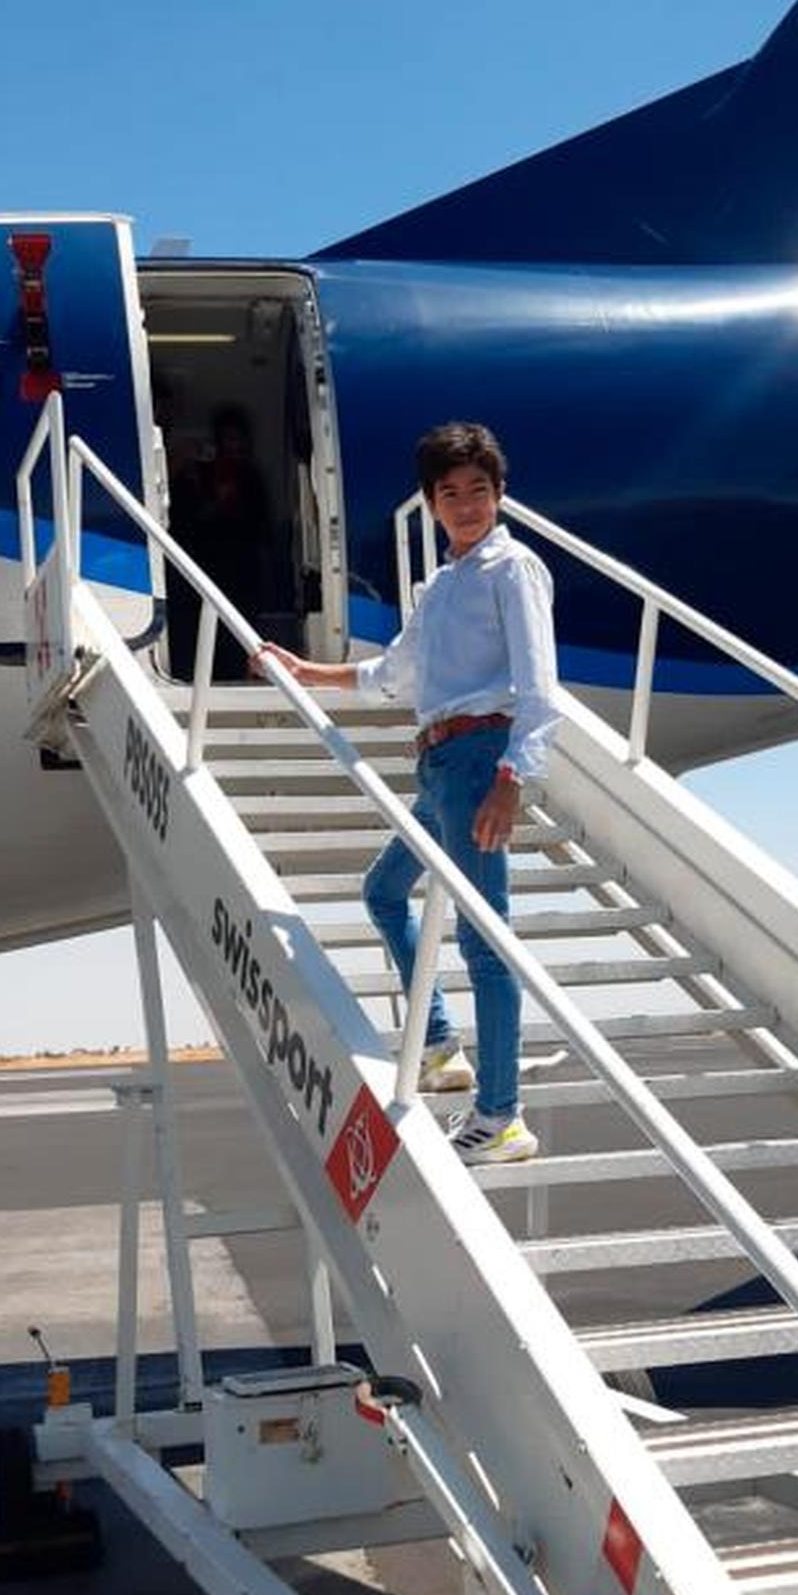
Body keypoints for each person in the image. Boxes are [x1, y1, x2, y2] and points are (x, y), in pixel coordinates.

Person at [253, 420, 559, 1165]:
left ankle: (501, 1115)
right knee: (385, 890)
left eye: (478, 491)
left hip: (482, 758)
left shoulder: (510, 569)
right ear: (429, 502)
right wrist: (308, 671)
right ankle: (442, 1044)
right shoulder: (445, 584)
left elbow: (540, 689)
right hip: (439, 763)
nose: (465, 505)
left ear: (500, 493)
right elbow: (393, 673)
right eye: (449, 493)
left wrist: (511, 781)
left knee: (485, 939)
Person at [169, 404, 272, 678]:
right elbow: (184, 522)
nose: (235, 446)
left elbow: (260, 525)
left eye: (239, 439)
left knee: (238, 636)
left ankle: (237, 674)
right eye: (229, 439)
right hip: (204, 569)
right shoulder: (197, 476)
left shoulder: (251, 478)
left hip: (241, 572)